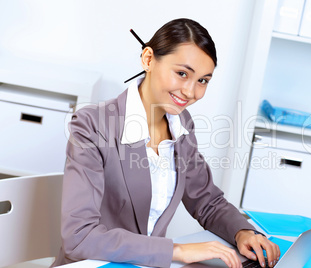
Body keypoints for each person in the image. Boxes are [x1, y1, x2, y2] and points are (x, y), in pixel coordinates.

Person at [53, 18, 280, 268]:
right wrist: (176, 250)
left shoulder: (180, 123)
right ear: (148, 59)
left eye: (203, 80)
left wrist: (242, 233)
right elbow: (79, 236)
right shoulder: (92, 124)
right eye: (182, 74)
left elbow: (206, 200)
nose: (191, 92)